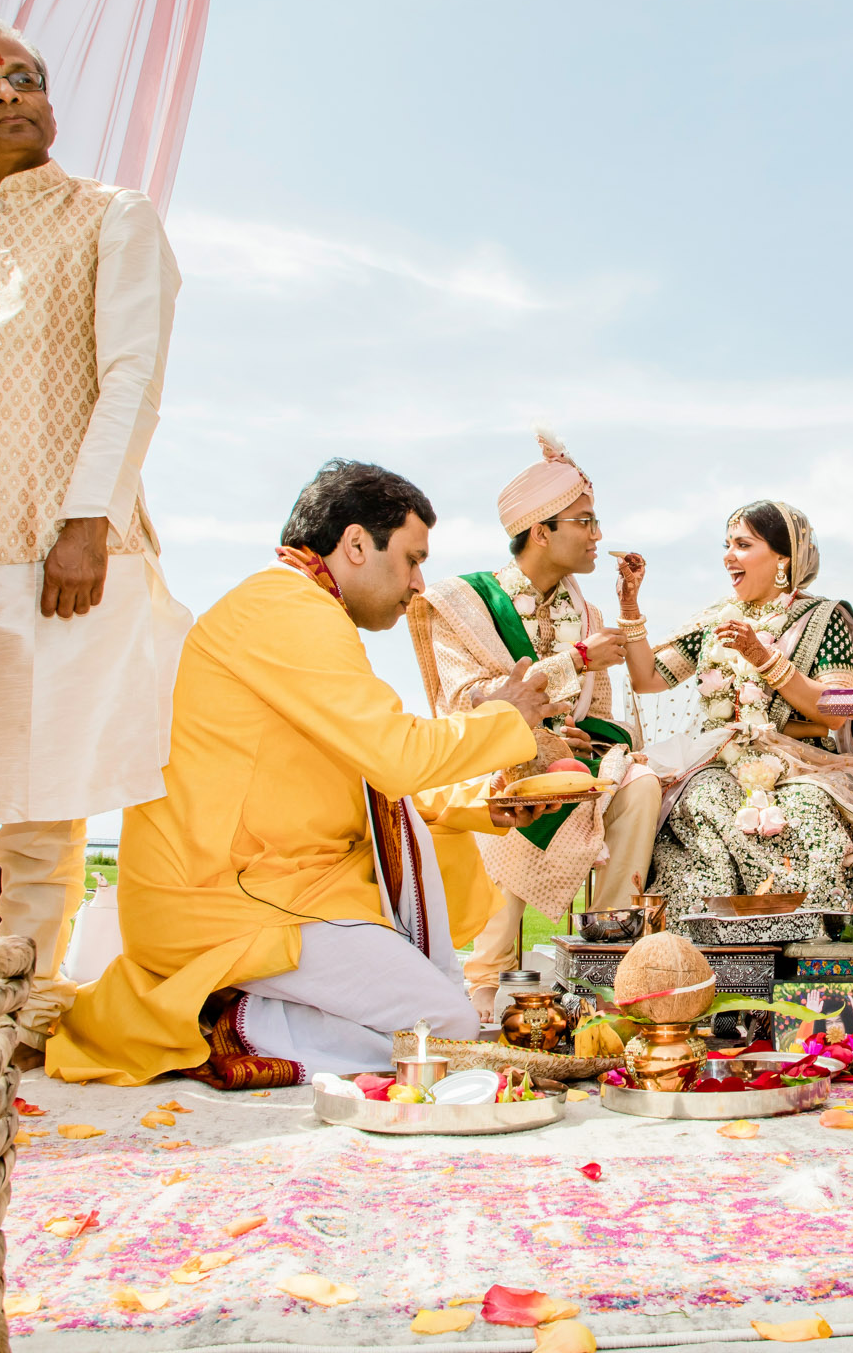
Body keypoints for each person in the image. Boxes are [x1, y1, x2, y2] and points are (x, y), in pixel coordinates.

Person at [48, 461, 561, 1087]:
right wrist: (509, 719)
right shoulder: (286, 611)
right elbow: (396, 755)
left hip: (287, 885)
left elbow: (373, 778)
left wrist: (485, 804)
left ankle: (251, 1010)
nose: (420, 584)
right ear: (353, 545)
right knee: (443, 1027)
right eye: (411, 558)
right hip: (231, 898)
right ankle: (218, 1023)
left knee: (435, 952)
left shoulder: (298, 609)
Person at [0, 15, 193, 987]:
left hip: (66, 550)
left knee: (47, 809)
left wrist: (85, 521)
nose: (8, 92)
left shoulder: (112, 215)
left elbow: (132, 376)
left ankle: (26, 1014)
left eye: (24, 75)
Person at [409, 430, 662, 1016]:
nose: (598, 536)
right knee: (520, 785)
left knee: (641, 784)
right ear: (542, 530)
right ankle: (482, 988)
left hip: (574, 763)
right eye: (585, 521)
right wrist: (572, 662)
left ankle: (611, 960)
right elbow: (466, 701)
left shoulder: (591, 615)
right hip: (492, 760)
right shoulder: (462, 602)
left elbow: (599, 717)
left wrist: (578, 736)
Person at [625, 501, 853, 945]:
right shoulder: (716, 621)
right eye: (726, 545)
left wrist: (763, 659)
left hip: (807, 767)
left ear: (783, 559)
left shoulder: (825, 618)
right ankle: (693, 958)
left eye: (743, 544)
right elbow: (647, 678)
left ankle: (810, 958)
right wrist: (630, 607)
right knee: (695, 807)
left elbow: (834, 708)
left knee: (806, 816)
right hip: (724, 763)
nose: (728, 556)